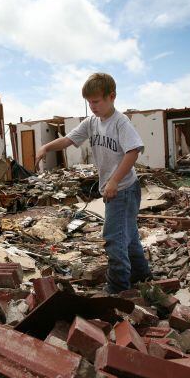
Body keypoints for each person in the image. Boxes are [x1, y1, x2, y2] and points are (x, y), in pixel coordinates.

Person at [35, 72, 151, 293]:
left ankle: (117, 289)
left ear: (111, 97)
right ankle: (141, 275)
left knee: (113, 238)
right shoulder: (92, 122)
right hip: (115, 188)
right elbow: (69, 139)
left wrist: (114, 181)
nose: (93, 107)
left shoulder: (120, 122)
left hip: (124, 189)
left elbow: (133, 151)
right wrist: (46, 147)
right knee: (129, 235)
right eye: (89, 102)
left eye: (96, 101)